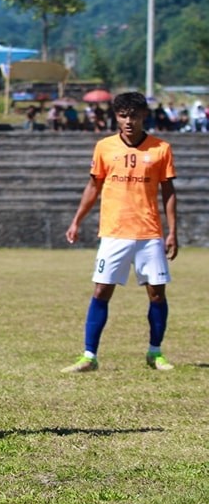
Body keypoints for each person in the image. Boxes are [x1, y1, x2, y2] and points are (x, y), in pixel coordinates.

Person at [62, 91, 177, 373]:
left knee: (157, 294)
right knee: (101, 291)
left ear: (143, 116)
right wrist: (77, 220)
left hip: (149, 233)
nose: (129, 121)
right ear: (116, 117)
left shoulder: (161, 148)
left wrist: (173, 232)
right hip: (114, 232)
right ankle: (89, 356)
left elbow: (169, 192)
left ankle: (155, 352)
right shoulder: (104, 147)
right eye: (123, 115)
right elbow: (93, 187)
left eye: (134, 115)